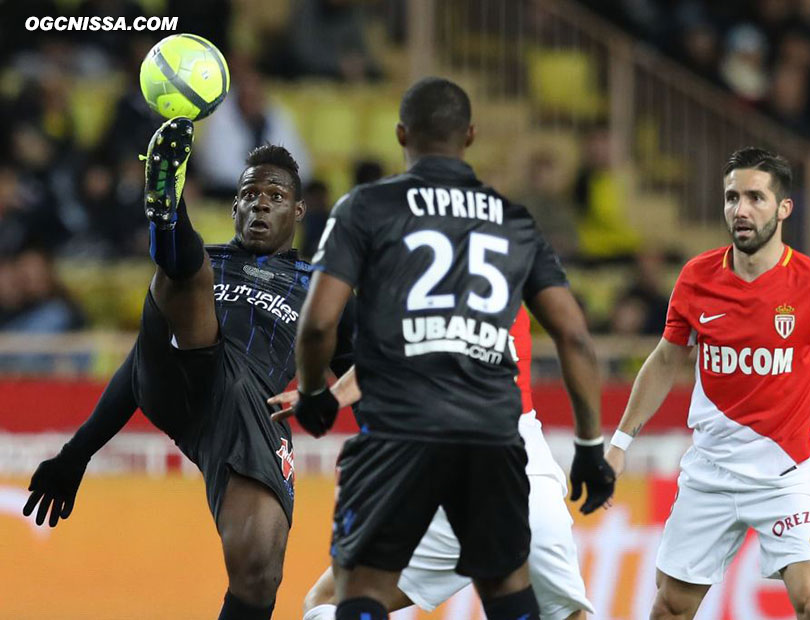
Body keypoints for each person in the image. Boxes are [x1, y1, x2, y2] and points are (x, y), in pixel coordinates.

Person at [280, 77, 615, 620]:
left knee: (338, 599)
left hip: (405, 436)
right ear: (472, 136)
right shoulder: (511, 226)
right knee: (549, 608)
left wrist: (316, 392)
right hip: (503, 445)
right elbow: (574, 337)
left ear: (401, 135)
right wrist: (591, 447)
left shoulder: (369, 209)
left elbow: (322, 326)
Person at [21, 118, 336, 620]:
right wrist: (75, 454)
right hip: (180, 370)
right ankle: (166, 214)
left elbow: (367, 367)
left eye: (274, 195)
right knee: (185, 274)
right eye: (249, 193)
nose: (259, 202)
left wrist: (323, 394)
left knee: (259, 575)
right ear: (233, 206)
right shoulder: (207, 260)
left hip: (247, 409)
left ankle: (169, 219)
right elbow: (138, 365)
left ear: (297, 210)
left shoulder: (320, 288)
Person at [604, 147, 810, 620]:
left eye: (756, 198)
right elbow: (664, 360)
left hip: (785, 475)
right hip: (710, 474)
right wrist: (619, 443)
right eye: (732, 197)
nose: (740, 210)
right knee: (670, 608)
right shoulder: (696, 278)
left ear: (784, 209)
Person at [270, 307, 595, 620]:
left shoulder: (424, 274)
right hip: (511, 465)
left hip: (453, 460)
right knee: (563, 613)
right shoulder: (509, 264)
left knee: (329, 600)